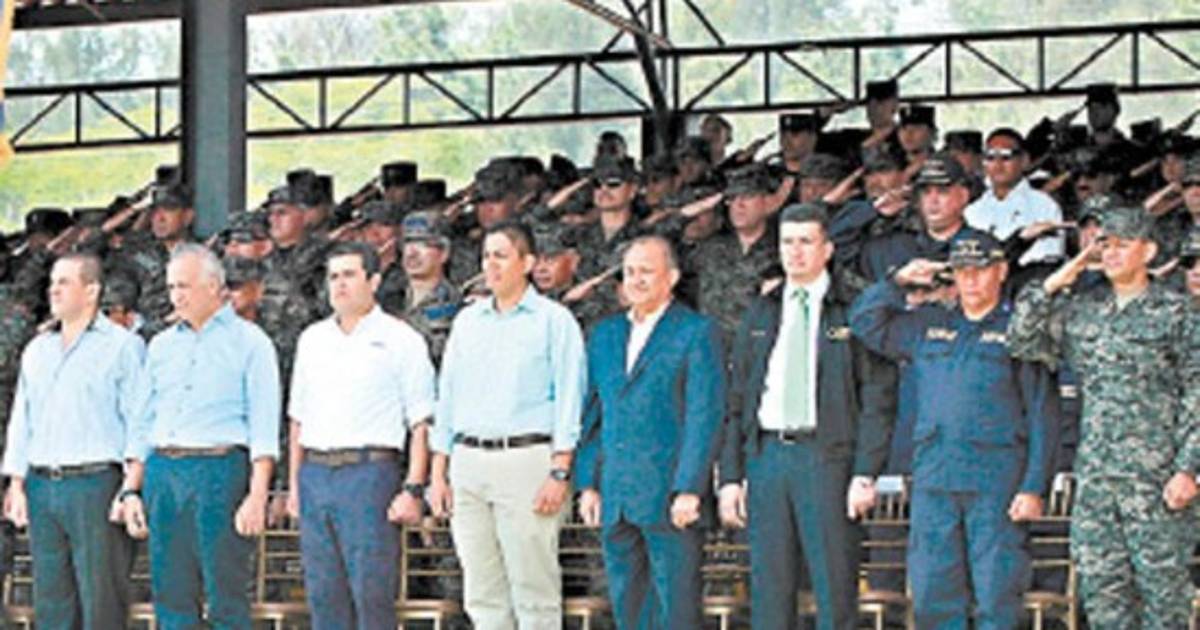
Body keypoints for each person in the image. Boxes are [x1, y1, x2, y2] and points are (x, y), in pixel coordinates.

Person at [850, 234, 1060, 628]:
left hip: (996, 481)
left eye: (981, 270)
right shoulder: (930, 324)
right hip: (935, 477)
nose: (971, 280)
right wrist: (898, 281)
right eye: (962, 271)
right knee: (933, 592)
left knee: (996, 595)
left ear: (1001, 271)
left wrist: (1033, 486)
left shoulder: (1020, 330)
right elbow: (864, 322)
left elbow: (1042, 413)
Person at [1008, 205, 1200, 629]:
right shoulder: (1083, 311)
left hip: (1157, 481)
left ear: (1148, 251)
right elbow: (1021, 340)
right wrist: (1059, 279)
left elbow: (1198, 394)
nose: (1110, 254)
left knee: (1163, 597)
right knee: (1102, 597)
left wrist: (1189, 468)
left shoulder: (1179, 313)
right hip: (1097, 481)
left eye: (1122, 245)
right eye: (1104, 245)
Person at [718, 202, 897, 630]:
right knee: (769, 588)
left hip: (827, 458)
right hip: (767, 458)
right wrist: (731, 476)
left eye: (805, 242)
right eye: (787, 242)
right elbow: (737, 400)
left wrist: (865, 472)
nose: (795, 252)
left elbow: (878, 397)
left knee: (834, 586)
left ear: (827, 249)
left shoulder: (851, 308)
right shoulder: (762, 309)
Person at [429, 221, 587, 629]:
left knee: (533, 590)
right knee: (481, 592)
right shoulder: (467, 321)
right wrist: (439, 473)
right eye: (486, 256)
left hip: (526, 459)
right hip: (468, 461)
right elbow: (447, 398)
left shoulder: (554, 321)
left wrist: (560, 471)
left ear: (527, 262)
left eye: (501, 255)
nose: (491, 265)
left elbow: (570, 400)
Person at [121, 243, 281, 629]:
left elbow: (264, 425)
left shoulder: (250, 341)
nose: (176, 296)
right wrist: (130, 490)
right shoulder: (160, 345)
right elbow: (143, 423)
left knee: (226, 592)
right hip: (164, 471)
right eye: (171, 287)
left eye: (184, 286)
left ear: (213, 286)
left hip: (219, 469)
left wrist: (257, 495)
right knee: (170, 592)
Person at [575, 236, 725, 629]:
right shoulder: (605, 334)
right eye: (629, 272)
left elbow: (705, 415)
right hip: (617, 495)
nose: (636, 280)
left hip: (671, 496)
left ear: (671, 277)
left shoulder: (696, 331)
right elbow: (593, 416)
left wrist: (690, 488)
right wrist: (588, 483)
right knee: (628, 606)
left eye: (646, 271)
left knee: (676, 610)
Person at [286, 241, 436, 629]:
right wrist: (295, 487)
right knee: (323, 594)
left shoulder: (401, 339)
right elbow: (298, 420)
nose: (340, 284)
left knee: (371, 594)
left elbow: (421, 422)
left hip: (369, 474)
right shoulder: (312, 339)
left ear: (374, 281)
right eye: (333, 276)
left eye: (349, 275)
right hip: (316, 473)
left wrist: (413, 487)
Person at [2, 253, 144, 629]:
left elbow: (139, 423)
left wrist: (130, 488)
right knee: (51, 602)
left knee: (101, 601)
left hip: (96, 484)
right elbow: (22, 420)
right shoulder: (38, 349)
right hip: (42, 483)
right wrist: (16, 484)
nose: (54, 290)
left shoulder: (123, 347)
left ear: (92, 290)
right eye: (52, 282)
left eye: (64, 282)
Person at [964, 129, 1065, 266]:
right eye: (990, 157)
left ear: (1024, 160)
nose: (998, 165)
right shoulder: (972, 211)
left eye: (1006, 157)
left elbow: (1048, 259)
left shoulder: (1045, 207)